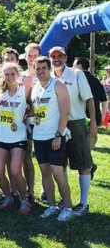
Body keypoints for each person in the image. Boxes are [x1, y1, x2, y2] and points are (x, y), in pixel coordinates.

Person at [51, 47, 97, 217]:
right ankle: (65, 199)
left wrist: (93, 122)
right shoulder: (48, 76)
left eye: (59, 56)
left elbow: (90, 99)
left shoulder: (77, 74)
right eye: (53, 56)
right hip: (56, 125)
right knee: (60, 162)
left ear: (66, 57)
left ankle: (83, 204)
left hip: (75, 122)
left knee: (83, 164)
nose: (56, 59)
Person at [31, 56, 75, 221]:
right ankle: (51, 206)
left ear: (49, 69)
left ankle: (68, 208)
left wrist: (58, 135)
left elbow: (65, 112)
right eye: (38, 68)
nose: (41, 71)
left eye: (44, 68)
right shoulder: (35, 87)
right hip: (39, 135)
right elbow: (36, 111)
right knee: (45, 173)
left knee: (58, 173)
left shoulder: (58, 85)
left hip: (55, 136)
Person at [0, 63, 32, 214]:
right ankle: (8, 197)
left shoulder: (25, 89)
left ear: (17, 74)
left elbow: (33, 106)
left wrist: (28, 117)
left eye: (12, 74)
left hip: (18, 136)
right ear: (3, 76)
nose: (9, 77)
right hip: (1, 135)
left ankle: (24, 200)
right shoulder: (0, 90)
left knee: (15, 171)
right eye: (6, 74)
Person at [19, 42, 39, 204]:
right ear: (25, 57)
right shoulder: (22, 75)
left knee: (47, 157)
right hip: (26, 121)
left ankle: (46, 191)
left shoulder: (46, 74)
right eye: (29, 55)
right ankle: (29, 191)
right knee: (26, 156)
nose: (32, 58)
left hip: (43, 120)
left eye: (35, 55)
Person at [73, 57, 107, 150]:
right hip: (94, 119)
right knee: (89, 149)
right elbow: (104, 100)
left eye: (74, 65)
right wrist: (102, 117)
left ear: (79, 66)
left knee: (77, 149)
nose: (72, 68)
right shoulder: (96, 80)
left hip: (79, 119)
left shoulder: (74, 79)